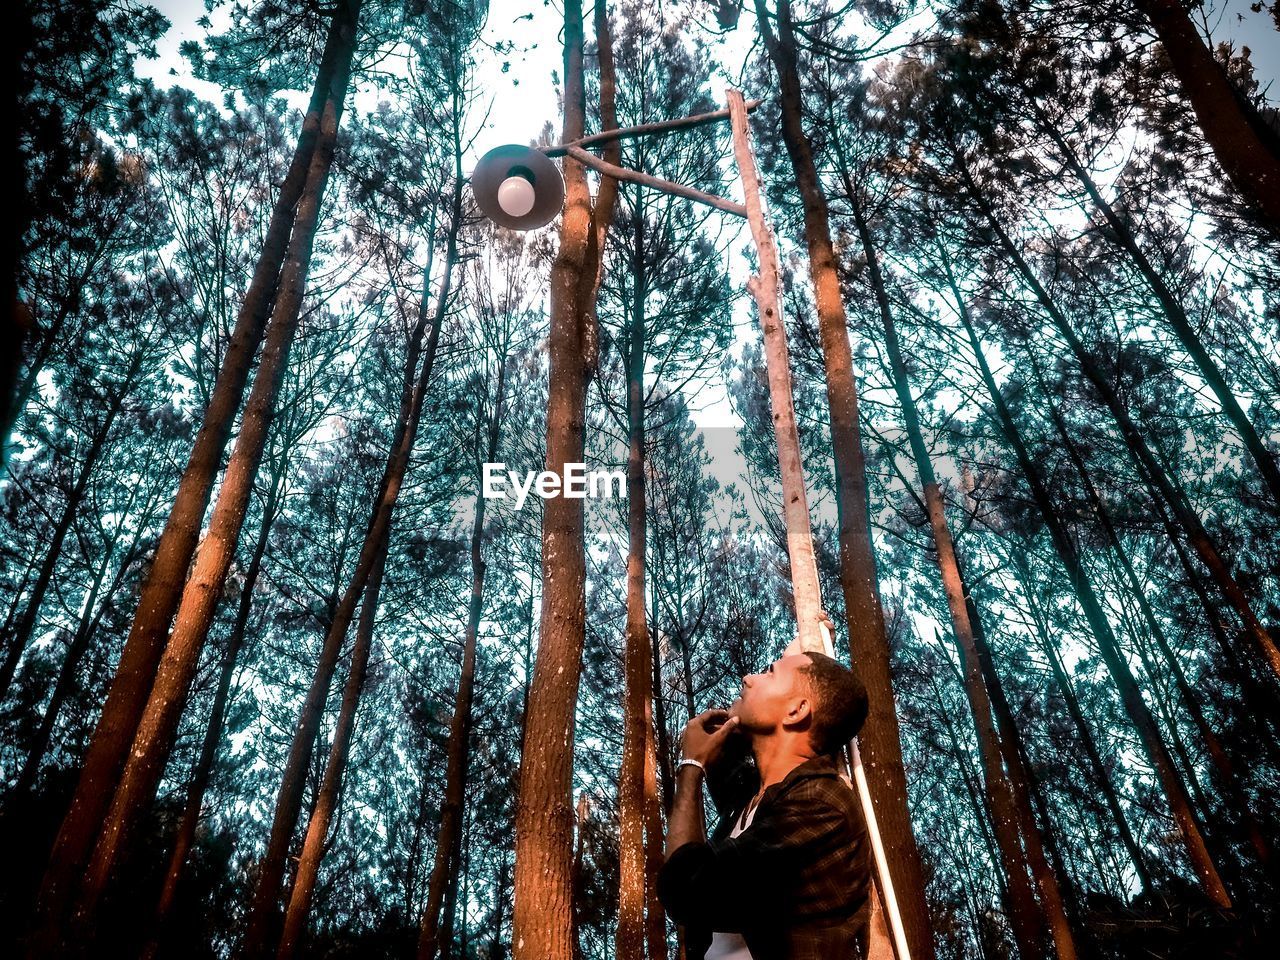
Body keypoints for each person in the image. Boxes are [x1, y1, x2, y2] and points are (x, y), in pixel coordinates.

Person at [657, 650, 871, 960]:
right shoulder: (751, 798)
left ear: (796, 711)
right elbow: (731, 777)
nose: (748, 678)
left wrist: (691, 766)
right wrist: (721, 745)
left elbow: (686, 891)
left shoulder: (820, 805)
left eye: (769, 673)